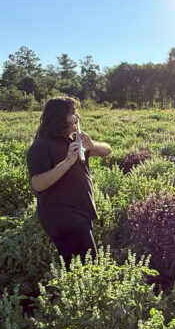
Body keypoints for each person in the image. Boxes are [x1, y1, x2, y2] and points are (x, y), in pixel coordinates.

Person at [26, 96, 111, 265]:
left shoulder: (73, 139)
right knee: (88, 266)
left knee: (82, 266)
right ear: (59, 118)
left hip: (80, 212)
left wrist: (92, 146)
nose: (77, 118)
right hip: (61, 216)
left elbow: (107, 150)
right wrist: (67, 163)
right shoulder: (41, 146)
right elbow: (38, 183)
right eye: (73, 113)